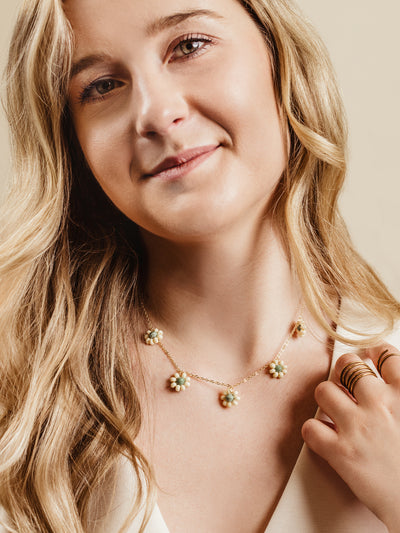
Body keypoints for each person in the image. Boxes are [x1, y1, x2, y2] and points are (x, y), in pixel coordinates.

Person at [0, 0, 399, 532]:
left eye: (189, 46)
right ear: (73, 145)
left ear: (279, 57)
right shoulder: (21, 417)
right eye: (101, 86)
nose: (157, 114)